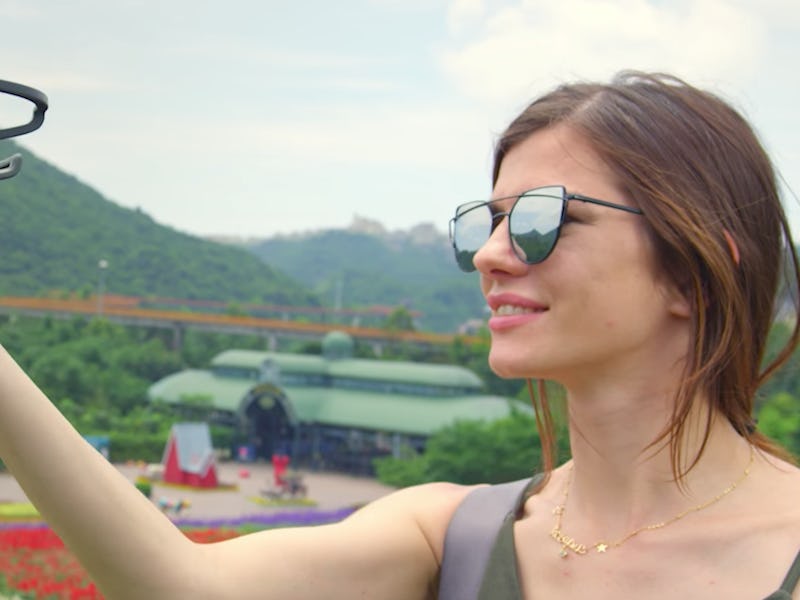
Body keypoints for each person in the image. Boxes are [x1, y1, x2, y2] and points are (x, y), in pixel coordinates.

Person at [1, 70, 799, 599]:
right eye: (483, 223)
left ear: (692, 273)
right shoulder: (455, 536)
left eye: (540, 219)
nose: (489, 255)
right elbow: (176, 586)